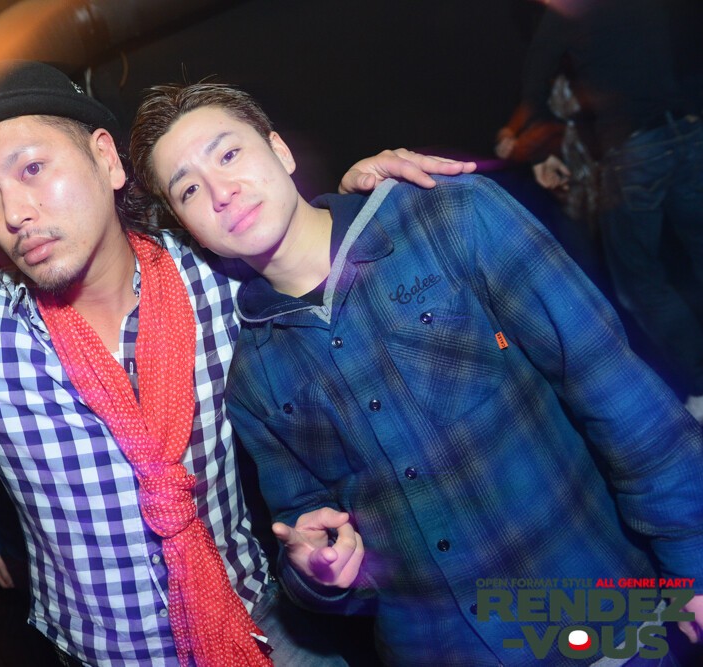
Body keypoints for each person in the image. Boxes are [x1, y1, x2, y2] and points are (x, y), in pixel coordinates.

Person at [0, 60, 475, 666]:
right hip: (105, 651)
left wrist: (362, 200)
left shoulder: (214, 276)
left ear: (106, 158)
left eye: (33, 169)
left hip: (267, 621)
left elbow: (314, 256)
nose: (14, 213)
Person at [127, 80, 703, 666]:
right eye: (189, 189)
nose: (221, 191)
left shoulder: (449, 217)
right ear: (187, 225)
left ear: (280, 150)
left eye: (229, 154)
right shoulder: (254, 379)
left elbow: (614, 390)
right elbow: (306, 534)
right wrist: (318, 572)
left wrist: (693, 565)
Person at [518, 0, 703, 421]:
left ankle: (699, 385)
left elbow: (535, 80)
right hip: (689, 133)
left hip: (635, 149)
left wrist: (541, 151)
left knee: (639, 279)